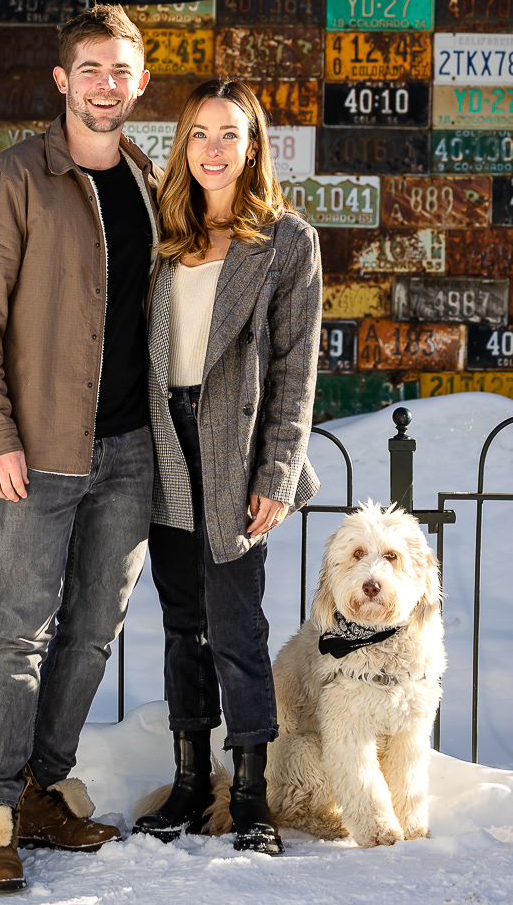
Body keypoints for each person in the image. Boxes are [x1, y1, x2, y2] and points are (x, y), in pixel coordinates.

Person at [0, 5, 159, 893]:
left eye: (123, 70)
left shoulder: (150, 177)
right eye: (92, 70)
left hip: (131, 451)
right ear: (63, 81)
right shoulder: (11, 181)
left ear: (140, 82)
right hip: (37, 451)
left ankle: (43, 788)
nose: (108, 85)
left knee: (93, 634)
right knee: (18, 635)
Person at [133, 79, 322, 856]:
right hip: (160, 443)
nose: (212, 148)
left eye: (229, 134)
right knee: (183, 628)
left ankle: (249, 799)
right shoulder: (162, 230)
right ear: (183, 145)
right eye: (199, 133)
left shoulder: (285, 242)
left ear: (253, 147)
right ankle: (188, 782)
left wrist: (275, 477)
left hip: (233, 450)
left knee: (236, 629)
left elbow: (295, 371)